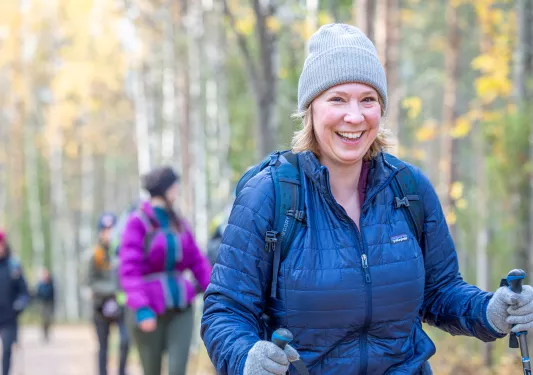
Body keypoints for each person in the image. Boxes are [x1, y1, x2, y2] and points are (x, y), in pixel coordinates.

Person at [201, 23, 533, 375]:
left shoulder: (408, 189)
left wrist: (490, 311)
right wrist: (245, 357)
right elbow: (226, 310)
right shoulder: (270, 194)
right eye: (337, 99)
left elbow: (440, 291)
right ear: (310, 108)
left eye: (368, 99)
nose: (355, 116)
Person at [119, 166, 212, 375]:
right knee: (151, 370)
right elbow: (129, 270)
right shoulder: (138, 222)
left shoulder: (178, 223)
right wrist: (141, 308)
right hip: (149, 308)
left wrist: (216, 292)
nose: (177, 190)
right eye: (174, 186)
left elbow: (197, 261)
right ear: (165, 189)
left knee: (177, 370)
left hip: (181, 307)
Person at [88, 213, 130, 375]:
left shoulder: (122, 252)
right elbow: (90, 282)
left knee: (125, 341)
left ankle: (121, 371)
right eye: (105, 230)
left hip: (120, 305)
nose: (109, 233)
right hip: (100, 306)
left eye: (111, 229)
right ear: (100, 232)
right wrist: (111, 289)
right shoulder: (95, 255)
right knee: (103, 347)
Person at [0, 230, 29, 375]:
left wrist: (21, 303)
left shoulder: (13, 266)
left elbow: (24, 290)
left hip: (9, 317)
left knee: (6, 349)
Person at [34, 267, 55, 342]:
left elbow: (53, 294)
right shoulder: (40, 284)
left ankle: (47, 333)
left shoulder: (51, 283)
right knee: (43, 319)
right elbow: (37, 294)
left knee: (48, 319)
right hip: (42, 303)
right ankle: (44, 333)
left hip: (49, 303)